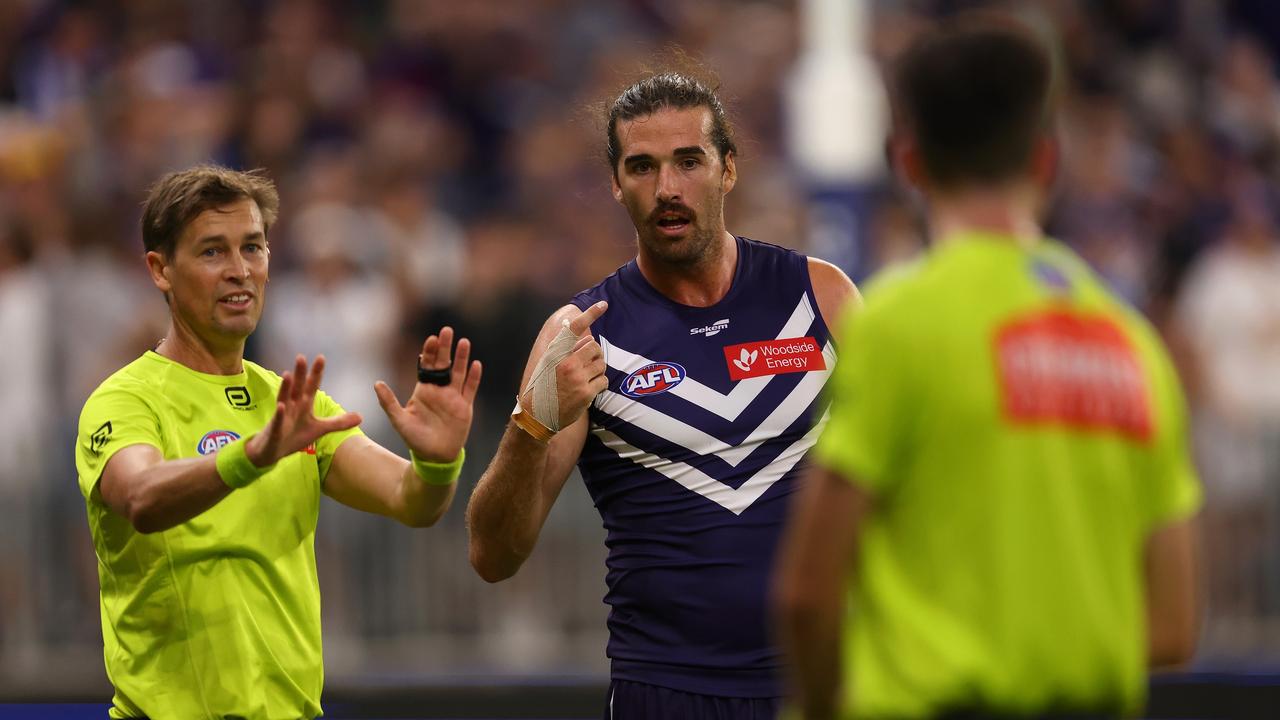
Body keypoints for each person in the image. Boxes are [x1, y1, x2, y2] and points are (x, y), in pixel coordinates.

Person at [773, 17, 1201, 719]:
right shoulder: (1133, 346)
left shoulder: (896, 323)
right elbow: (1175, 626)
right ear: (1046, 160)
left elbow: (807, 594)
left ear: (908, 160)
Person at [466, 72, 859, 718]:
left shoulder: (823, 299)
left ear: (728, 169)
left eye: (689, 161)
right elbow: (492, 556)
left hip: (822, 683)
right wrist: (529, 425)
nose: (668, 189)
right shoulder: (582, 334)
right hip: (666, 692)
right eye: (643, 167)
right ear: (616, 183)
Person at [74, 164, 481, 720]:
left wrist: (436, 461)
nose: (240, 271)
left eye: (254, 248)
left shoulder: (294, 404)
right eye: (213, 252)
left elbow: (411, 502)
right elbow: (141, 496)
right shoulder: (125, 400)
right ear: (160, 269)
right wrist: (251, 455)